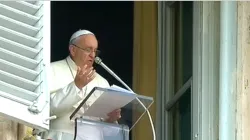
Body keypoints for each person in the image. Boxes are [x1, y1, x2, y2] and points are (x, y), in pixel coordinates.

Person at [41, 29, 121, 140]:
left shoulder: (102, 82)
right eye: (88, 50)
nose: (93, 55)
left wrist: (110, 120)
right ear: (73, 50)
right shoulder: (51, 70)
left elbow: (106, 132)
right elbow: (45, 109)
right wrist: (76, 86)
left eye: (95, 51)